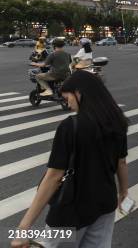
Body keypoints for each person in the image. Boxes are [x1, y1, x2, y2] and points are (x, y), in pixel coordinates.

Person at [12, 70, 129, 248]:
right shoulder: (116, 121)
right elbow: (121, 161)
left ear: (80, 93)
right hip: (105, 203)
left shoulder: (70, 126)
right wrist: (123, 191)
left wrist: (23, 228)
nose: (68, 104)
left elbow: (54, 177)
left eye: (68, 98)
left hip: (71, 211)